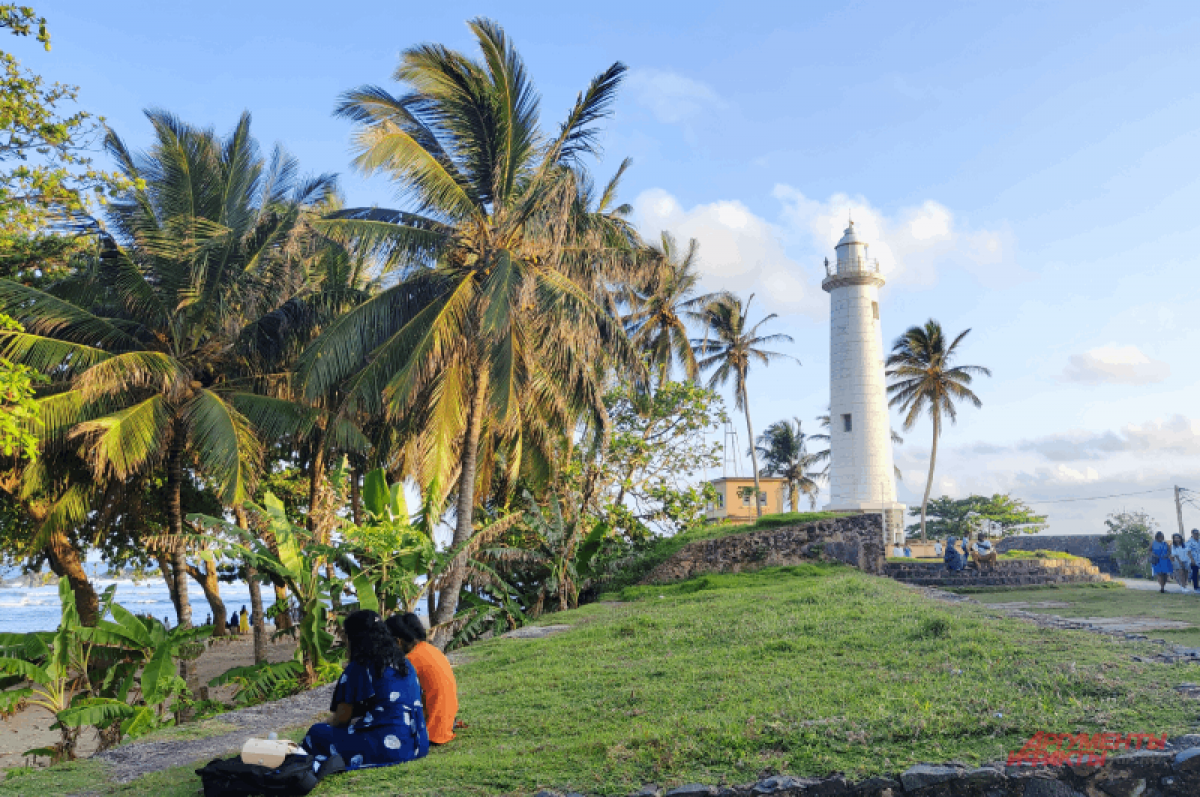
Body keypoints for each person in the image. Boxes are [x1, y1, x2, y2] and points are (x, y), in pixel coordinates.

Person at [303, 610, 429, 770]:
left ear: (354, 639)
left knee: (317, 733)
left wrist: (325, 723)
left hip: (391, 748)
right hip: (418, 744)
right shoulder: (405, 664)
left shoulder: (360, 666)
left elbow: (341, 719)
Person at [386, 613, 459, 745]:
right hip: (445, 726)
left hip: (430, 732)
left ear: (398, 642)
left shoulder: (410, 661)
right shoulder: (430, 650)